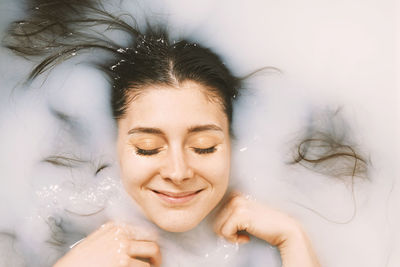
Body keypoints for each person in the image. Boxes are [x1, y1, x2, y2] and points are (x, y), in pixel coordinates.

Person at [3, 0, 325, 266]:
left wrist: (292, 238)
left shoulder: (272, 235)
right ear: (111, 145)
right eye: (147, 147)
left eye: (204, 146)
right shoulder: (58, 226)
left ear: (233, 143)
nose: (178, 171)